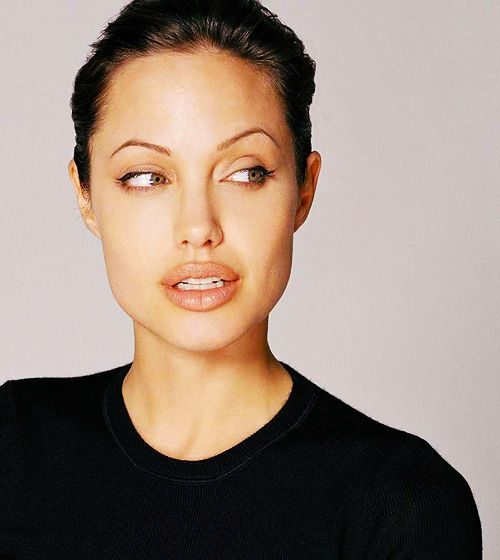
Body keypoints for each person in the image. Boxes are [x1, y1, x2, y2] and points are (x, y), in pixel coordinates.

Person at [0, 0, 482, 557]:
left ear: (303, 189)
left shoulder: (402, 504)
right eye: (146, 176)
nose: (198, 227)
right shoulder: (14, 446)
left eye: (246, 173)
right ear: (86, 196)